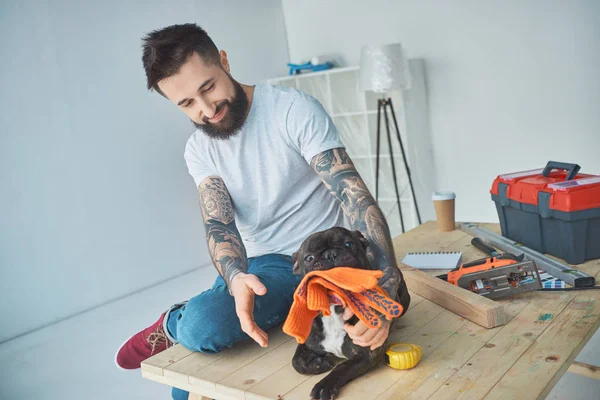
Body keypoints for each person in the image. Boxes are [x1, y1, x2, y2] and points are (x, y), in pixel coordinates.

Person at [115, 23, 405, 400]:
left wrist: (386, 282)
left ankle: (185, 322)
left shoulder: (293, 110)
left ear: (224, 61)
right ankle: (175, 322)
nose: (207, 110)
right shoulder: (199, 150)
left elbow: (355, 197)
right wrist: (235, 278)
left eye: (208, 88)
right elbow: (219, 223)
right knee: (199, 337)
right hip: (267, 265)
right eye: (186, 104)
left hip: (324, 260)